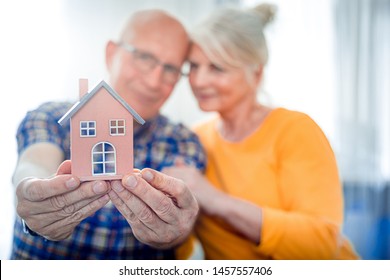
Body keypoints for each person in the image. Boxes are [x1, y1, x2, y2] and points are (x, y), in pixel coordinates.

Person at [163, 4, 359, 259]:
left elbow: (321, 245)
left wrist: (215, 200)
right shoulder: (194, 140)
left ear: (256, 73)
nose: (199, 81)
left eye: (217, 68)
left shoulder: (295, 131)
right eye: (194, 67)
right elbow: (182, 246)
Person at [11, 9, 206, 259]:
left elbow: (181, 208)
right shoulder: (50, 116)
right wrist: (32, 194)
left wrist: (176, 230)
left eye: (171, 69)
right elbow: (34, 163)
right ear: (111, 53)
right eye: (144, 56)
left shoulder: (182, 142)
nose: (154, 81)